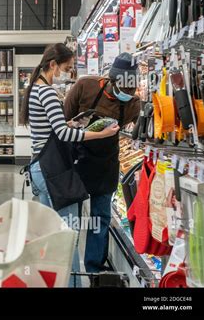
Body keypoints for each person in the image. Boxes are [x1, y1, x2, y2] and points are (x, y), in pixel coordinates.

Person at [20, 43, 120, 287]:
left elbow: (55, 129)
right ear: (52, 65)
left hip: (40, 168)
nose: (68, 73)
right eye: (67, 68)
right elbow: (63, 135)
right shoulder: (47, 93)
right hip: (54, 171)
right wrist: (100, 134)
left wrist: (73, 125)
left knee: (54, 235)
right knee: (67, 237)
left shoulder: (35, 89)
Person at [63, 52, 141, 273]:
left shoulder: (134, 104)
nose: (128, 94)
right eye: (124, 89)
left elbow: (140, 133)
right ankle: (67, 266)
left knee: (101, 218)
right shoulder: (85, 86)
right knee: (72, 219)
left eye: (131, 90)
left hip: (105, 164)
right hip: (77, 159)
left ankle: (93, 269)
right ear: (112, 79)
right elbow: (62, 121)